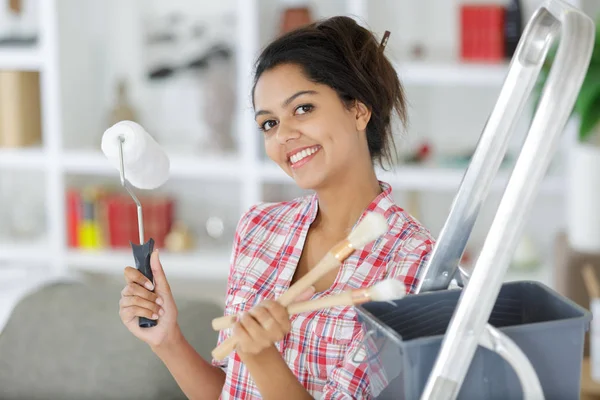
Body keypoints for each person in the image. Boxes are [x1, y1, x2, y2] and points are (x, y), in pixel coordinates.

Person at [118, 15, 435, 399]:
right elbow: (231, 392)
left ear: (357, 110)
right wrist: (167, 340)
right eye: (268, 123)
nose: (284, 135)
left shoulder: (414, 261)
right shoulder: (260, 227)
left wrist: (262, 355)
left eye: (302, 109)